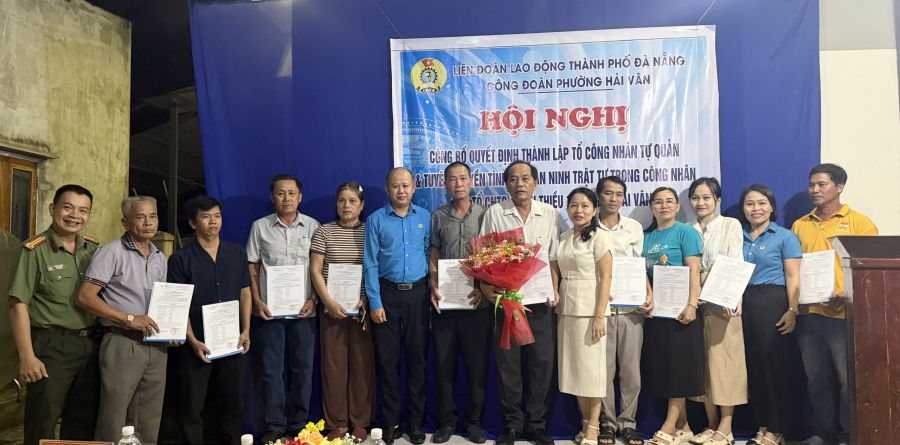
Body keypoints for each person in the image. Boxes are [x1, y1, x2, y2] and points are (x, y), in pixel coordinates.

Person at [791, 164, 878, 445]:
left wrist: (846, 294)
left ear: (839, 187)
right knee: (816, 380)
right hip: (809, 314)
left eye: (822, 184)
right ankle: (822, 433)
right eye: (811, 184)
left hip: (843, 315)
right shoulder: (800, 225)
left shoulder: (860, 223)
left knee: (846, 381)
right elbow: (794, 269)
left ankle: (848, 434)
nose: (814, 190)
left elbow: (868, 271)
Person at [7, 184, 100, 445]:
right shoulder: (34, 250)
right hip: (51, 346)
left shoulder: (93, 250)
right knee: (43, 421)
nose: (75, 215)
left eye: (83, 210)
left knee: (83, 421)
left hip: (90, 344)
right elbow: (17, 304)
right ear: (53, 209)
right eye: (67, 207)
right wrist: (27, 356)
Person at [479, 160, 562, 445]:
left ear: (535, 183)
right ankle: (512, 424)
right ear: (506, 184)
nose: (519, 184)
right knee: (508, 366)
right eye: (513, 179)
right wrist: (486, 285)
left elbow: (552, 258)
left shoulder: (549, 213)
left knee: (542, 366)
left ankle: (537, 425)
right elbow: (486, 257)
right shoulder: (495, 213)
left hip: (540, 304)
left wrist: (556, 288)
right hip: (507, 304)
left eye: (525, 178)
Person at [76, 196, 169, 444]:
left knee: (148, 418)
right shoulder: (111, 252)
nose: (148, 222)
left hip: (156, 344)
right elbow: (85, 297)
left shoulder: (160, 257)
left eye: (153, 216)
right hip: (122, 342)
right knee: (113, 417)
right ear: (125, 222)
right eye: (140, 217)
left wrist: (174, 330)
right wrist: (128, 318)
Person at [160, 196, 252, 445]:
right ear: (192, 222)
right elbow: (178, 305)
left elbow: (245, 292)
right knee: (193, 408)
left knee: (232, 405)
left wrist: (246, 330)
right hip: (197, 346)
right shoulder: (179, 259)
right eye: (205, 216)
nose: (213, 222)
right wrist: (192, 340)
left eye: (217, 216)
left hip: (232, 342)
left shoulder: (236, 253)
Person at [246, 174, 321, 445]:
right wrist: (257, 301)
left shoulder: (313, 227)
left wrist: (314, 298)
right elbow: (252, 266)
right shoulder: (260, 227)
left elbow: (318, 268)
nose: (286, 198)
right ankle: (275, 424)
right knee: (271, 370)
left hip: (304, 311)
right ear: (272, 196)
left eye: (292, 193)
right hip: (270, 313)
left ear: (300, 197)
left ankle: (299, 424)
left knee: (303, 369)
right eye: (281, 193)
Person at [364, 167, 431, 445]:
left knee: (417, 362)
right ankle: (390, 423)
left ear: (414, 188)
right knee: (387, 364)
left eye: (405, 185)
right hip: (387, 297)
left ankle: (416, 423)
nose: (401, 191)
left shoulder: (425, 217)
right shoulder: (375, 220)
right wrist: (375, 302)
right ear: (387, 188)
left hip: (418, 296)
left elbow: (429, 254)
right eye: (395, 186)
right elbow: (370, 263)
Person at [427, 162, 490, 444]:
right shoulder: (437, 216)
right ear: (445, 184)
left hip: (477, 303)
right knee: (444, 366)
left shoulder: (486, 215)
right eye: (451, 179)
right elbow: (434, 252)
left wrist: (483, 287)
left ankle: (474, 422)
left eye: (463, 178)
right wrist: (433, 284)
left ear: (472, 181)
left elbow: (493, 256)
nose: (458, 184)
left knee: (477, 368)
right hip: (446, 304)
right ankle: (446, 422)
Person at [739, 184, 804, 445]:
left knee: (775, 367)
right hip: (745, 302)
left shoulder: (785, 236)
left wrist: (792, 310)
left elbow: (793, 276)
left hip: (774, 302)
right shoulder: (738, 236)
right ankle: (763, 423)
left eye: (762, 203)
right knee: (753, 367)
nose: (756, 208)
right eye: (750, 204)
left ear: (772, 206)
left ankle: (778, 429)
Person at [310, 182, 374, 442]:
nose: (346, 206)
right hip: (331, 311)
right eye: (341, 201)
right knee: (333, 367)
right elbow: (315, 270)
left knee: (362, 366)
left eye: (352, 201)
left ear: (361, 205)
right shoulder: (324, 232)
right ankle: (337, 423)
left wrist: (365, 298)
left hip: (362, 310)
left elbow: (376, 268)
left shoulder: (371, 230)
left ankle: (360, 422)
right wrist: (328, 302)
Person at [685, 178, 748, 445]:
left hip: (722, 292)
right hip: (693, 295)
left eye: (707, 197)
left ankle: (726, 426)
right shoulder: (686, 228)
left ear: (718, 200)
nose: (701, 203)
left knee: (726, 360)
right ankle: (710, 424)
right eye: (696, 198)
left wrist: (735, 296)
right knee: (703, 361)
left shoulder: (730, 224)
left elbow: (736, 261)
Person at [640, 187, 704, 445]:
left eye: (669, 201)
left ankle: (668, 425)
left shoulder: (686, 232)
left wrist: (692, 305)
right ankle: (684, 426)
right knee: (665, 368)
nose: (664, 206)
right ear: (651, 207)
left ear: (678, 207)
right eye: (658, 202)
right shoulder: (646, 236)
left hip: (680, 312)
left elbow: (694, 271)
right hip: (655, 313)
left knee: (678, 369)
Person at [595, 176, 651, 445]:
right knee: (603, 370)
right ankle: (605, 423)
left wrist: (648, 293)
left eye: (619, 194)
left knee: (631, 371)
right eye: (608, 193)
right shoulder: (588, 227)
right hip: (600, 309)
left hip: (631, 308)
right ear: (599, 196)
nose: (614, 198)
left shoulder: (633, 227)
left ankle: (627, 424)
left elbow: (639, 265)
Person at [556, 188, 613, 445]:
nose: (579, 211)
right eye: (574, 205)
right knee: (576, 373)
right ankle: (584, 422)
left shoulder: (600, 237)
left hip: (591, 312)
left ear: (594, 209)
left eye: (585, 206)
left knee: (593, 374)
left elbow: (606, 277)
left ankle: (593, 427)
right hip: (567, 312)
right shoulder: (565, 236)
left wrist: (599, 315)